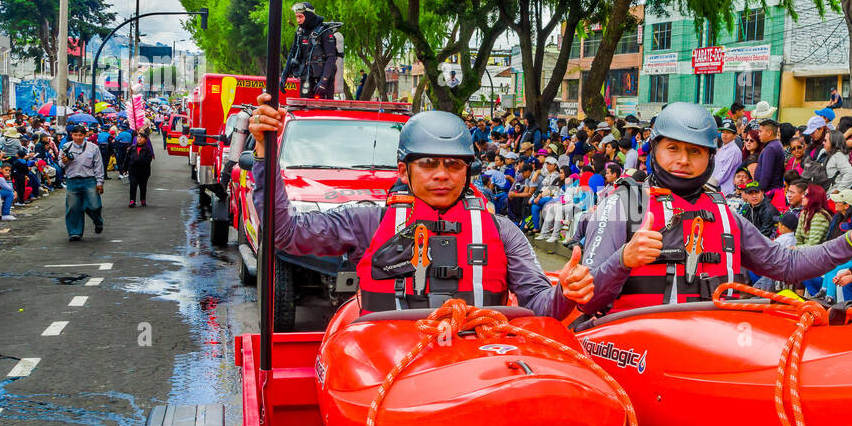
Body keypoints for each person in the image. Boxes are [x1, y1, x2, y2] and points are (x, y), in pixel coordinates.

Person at [246, 93, 594, 316]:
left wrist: (565, 293)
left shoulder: (503, 232)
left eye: (453, 165)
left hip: (476, 362)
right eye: (428, 164)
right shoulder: (368, 221)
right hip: (390, 358)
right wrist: (265, 154)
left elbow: (540, 305)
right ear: (404, 170)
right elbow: (285, 234)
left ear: (467, 172)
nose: (442, 175)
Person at [577, 101, 852, 315]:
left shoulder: (724, 213)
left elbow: (785, 264)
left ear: (710, 157)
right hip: (642, 342)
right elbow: (586, 301)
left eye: (695, 152)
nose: (684, 160)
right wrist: (623, 260)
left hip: (720, 338)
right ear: (655, 150)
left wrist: (849, 242)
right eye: (673, 149)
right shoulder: (623, 205)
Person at [281, 1, 341, 98]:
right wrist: (284, 76)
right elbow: (292, 53)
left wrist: (323, 82)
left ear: (309, 16)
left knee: (323, 110)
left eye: (300, 16)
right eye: (296, 17)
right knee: (305, 108)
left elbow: (331, 58)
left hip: (323, 79)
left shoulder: (324, 32)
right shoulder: (300, 32)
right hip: (306, 77)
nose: (298, 20)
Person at [59, 123, 105, 242]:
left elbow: (98, 165)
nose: (78, 138)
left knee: (95, 206)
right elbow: (60, 164)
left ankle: (98, 221)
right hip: (72, 181)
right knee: (73, 208)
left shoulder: (93, 148)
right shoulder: (65, 147)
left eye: (80, 135)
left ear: (85, 135)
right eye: (75, 135)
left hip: (89, 180)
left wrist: (100, 182)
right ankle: (75, 232)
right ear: (71, 135)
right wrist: (64, 161)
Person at [126, 130, 155, 207]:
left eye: (141, 137)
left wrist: (138, 160)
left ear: (145, 140)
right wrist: (124, 169)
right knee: (133, 185)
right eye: (138, 137)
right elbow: (127, 159)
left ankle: (143, 199)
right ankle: (132, 200)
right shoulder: (132, 148)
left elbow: (148, 160)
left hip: (144, 171)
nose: (139, 139)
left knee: (143, 186)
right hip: (133, 171)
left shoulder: (147, 150)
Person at [714, 119, 743, 196]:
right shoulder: (723, 148)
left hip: (726, 191)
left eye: (728, 133)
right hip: (717, 189)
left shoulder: (734, 150)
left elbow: (725, 172)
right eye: (723, 132)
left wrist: (711, 183)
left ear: (734, 136)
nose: (724, 135)